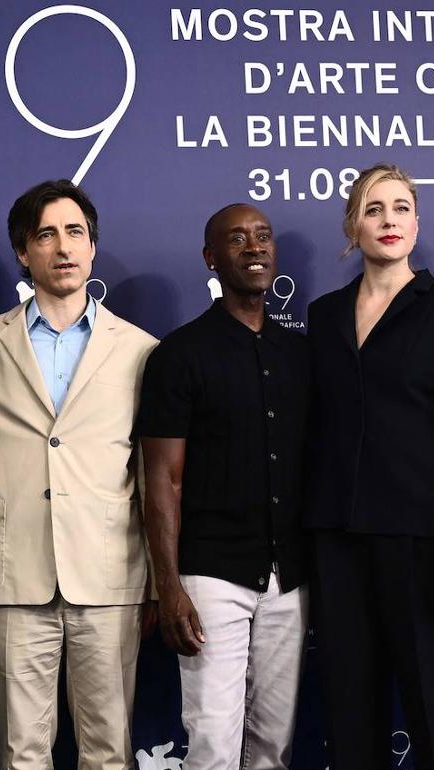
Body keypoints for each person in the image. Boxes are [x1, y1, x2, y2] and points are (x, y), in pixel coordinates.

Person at [0, 180, 157, 769]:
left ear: (92, 247)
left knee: (109, 753)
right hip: (11, 571)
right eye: (46, 234)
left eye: (76, 233)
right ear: (24, 252)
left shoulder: (141, 349)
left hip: (108, 574)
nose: (63, 247)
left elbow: (150, 471)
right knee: (20, 754)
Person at [306, 164, 434, 769]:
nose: (389, 220)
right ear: (351, 225)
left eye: (401, 208)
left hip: (426, 544)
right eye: (373, 208)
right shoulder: (323, 315)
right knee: (351, 718)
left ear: (417, 223)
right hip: (339, 542)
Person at [137, 203, 310, 770]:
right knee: (212, 742)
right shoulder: (179, 354)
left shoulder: (300, 355)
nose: (254, 247)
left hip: (290, 579)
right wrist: (168, 586)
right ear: (211, 258)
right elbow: (162, 478)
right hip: (211, 576)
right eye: (237, 239)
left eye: (262, 237)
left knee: (274, 746)